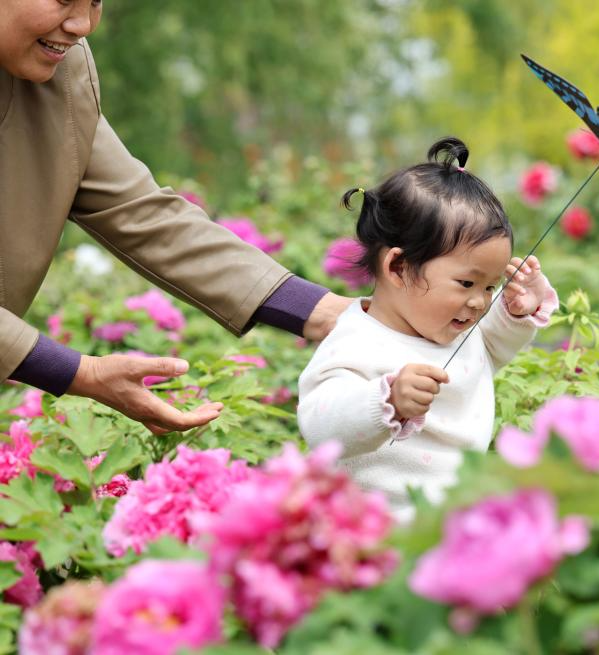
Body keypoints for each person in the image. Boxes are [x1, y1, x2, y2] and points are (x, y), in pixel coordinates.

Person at [0, 0, 353, 433]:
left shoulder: (60, 71)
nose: (82, 25)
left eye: (94, 1)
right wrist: (82, 373)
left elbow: (142, 213)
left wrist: (328, 313)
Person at [297, 137, 558, 521]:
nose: (480, 302)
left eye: (490, 286)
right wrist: (384, 400)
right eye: (467, 284)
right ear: (398, 268)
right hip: (372, 527)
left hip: (452, 520)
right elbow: (321, 425)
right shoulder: (357, 340)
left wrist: (518, 310)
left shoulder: (454, 330)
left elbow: (492, 346)